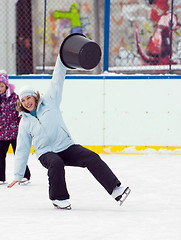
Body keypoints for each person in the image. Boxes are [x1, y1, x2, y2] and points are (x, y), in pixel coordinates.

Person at [8, 56, 130, 209]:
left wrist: (61, 57)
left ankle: (115, 189)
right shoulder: (25, 122)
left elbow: (57, 79)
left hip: (65, 146)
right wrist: (18, 175)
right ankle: (58, 198)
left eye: (29, 97)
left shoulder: (50, 101)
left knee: (91, 157)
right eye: (23, 100)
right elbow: (22, 149)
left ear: (35, 96)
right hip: (46, 153)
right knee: (56, 163)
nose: (27, 102)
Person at [0, 70, 31, 185]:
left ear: (6, 86)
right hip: (2, 132)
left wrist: (23, 128)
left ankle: (24, 175)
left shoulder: (14, 97)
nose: (0, 88)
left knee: (19, 154)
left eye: (2, 85)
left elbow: (21, 113)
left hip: (15, 131)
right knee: (1, 155)